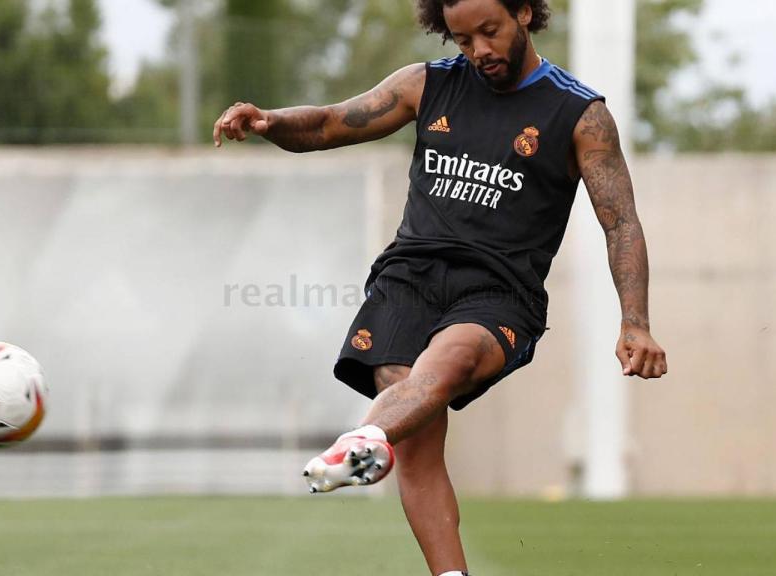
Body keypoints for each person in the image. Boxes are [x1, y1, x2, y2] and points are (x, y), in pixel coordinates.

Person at [213, 0, 667, 574]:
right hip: (409, 277)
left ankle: (363, 440)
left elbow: (620, 222)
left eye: (489, 32)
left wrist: (635, 322)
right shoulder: (426, 85)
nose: (479, 51)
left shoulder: (579, 114)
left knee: (447, 361)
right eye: (462, 39)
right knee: (416, 437)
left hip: (500, 291)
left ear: (525, 13)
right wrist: (270, 122)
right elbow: (330, 122)